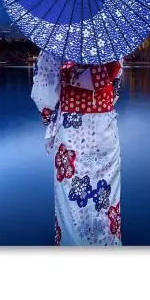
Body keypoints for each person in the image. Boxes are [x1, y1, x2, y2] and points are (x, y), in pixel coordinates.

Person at [31, 50, 124, 246]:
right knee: (105, 200)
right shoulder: (110, 42)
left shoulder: (58, 44)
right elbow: (114, 89)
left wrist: (49, 116)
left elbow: (44, 93)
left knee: (70, 204)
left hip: (72, 132)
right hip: (105, 129)